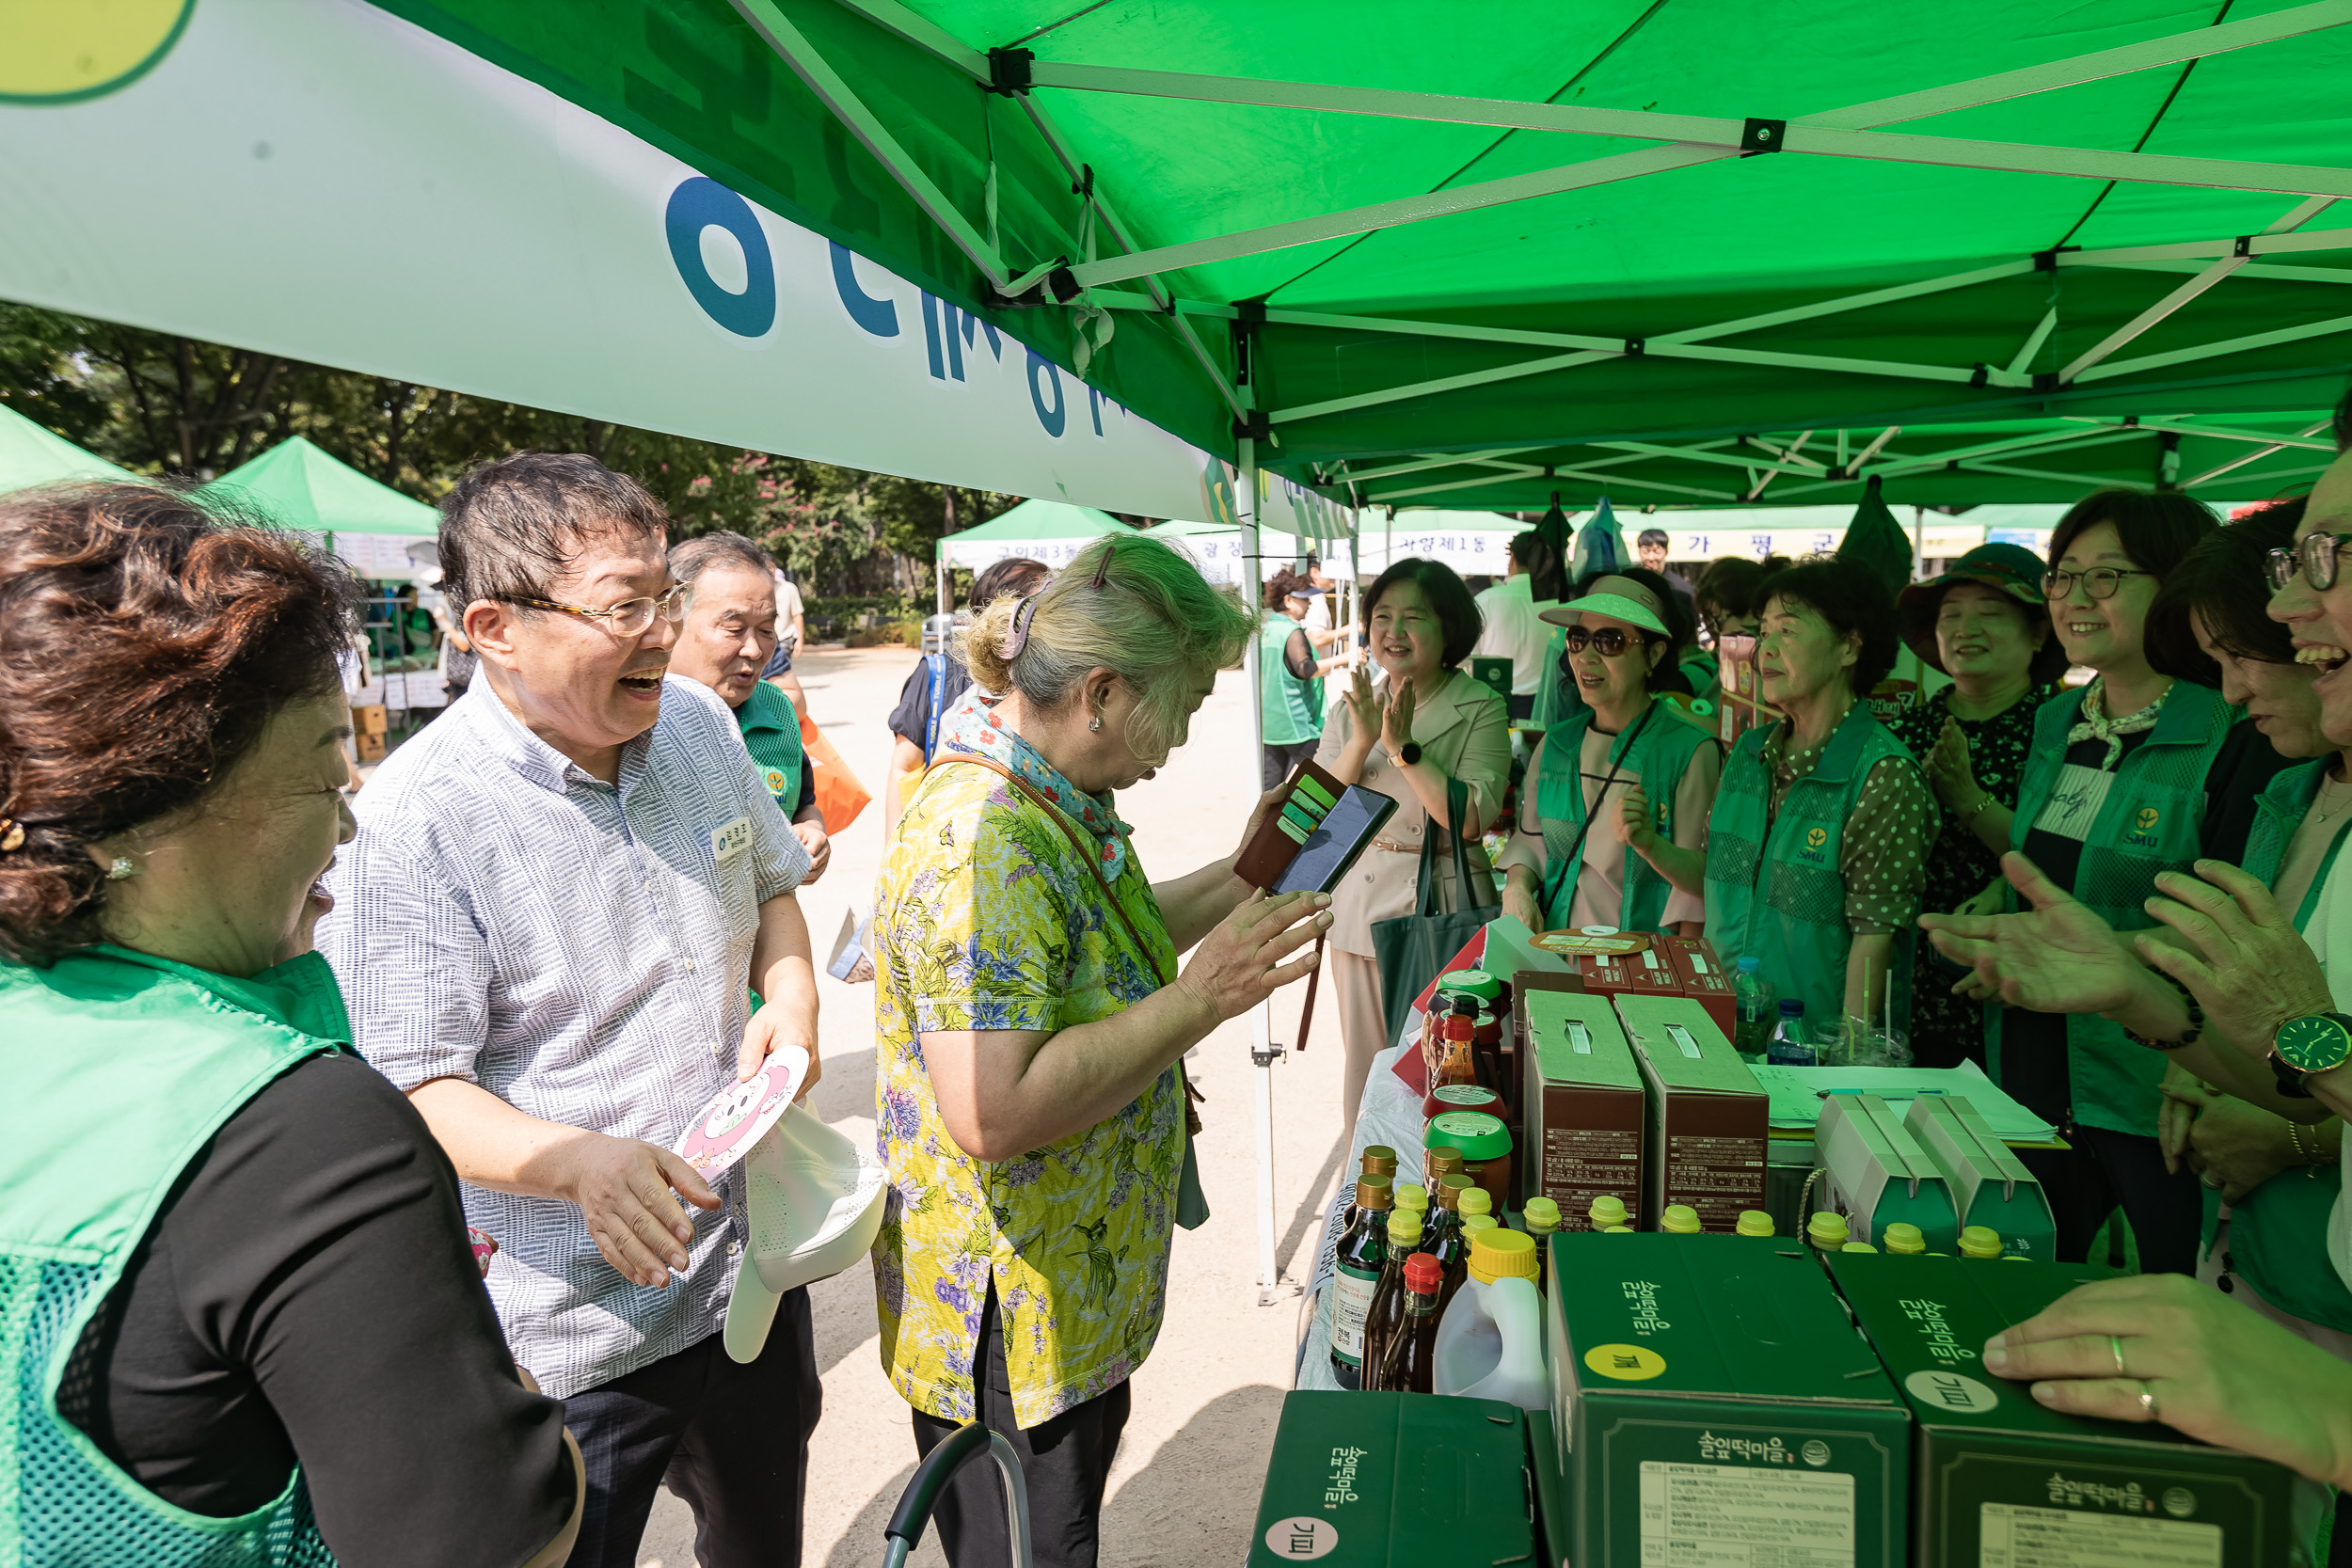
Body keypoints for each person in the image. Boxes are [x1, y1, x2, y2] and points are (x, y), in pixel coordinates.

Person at [0, 483, 582, 1566]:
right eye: (325, 766)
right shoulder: (296, 1134)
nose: (352, 819)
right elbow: (502, 1536)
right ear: (171, 789)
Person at [318, 452, 823, 1568]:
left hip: (741, 1270)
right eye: (623, 606)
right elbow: (411, 1085)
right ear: (494, 626)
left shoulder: (695, 723)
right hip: (567, 1327)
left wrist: (788, 995)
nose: (661, 632)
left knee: (759, 1539)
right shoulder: (417, 820)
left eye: (666, 597)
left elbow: (775, 884)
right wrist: (575, 1163)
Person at [872, 533, 1330, 1568]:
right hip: (1008, 1320)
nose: (1186, 732)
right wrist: (1202, 996)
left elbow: (1109, 933)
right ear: (1102, 691)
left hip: (1064, 1293)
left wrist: (1246, 869)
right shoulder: (981, 840)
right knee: (1032, 1543)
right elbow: (992, 1111)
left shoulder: (1049, 797)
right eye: (1184, 702)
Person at [1926, 442, 2352, 1524]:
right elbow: (2298, 1063)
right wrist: (2136, 993)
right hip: (2268, 1278)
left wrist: (2307, 1052)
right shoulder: (2311, 805)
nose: (2294, 614)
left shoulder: (2248, 762)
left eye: (2327, 560)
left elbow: (2314, 1061)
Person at [1976, 488, 2287, 1275]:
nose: (2076, 598)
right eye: (2063, 575)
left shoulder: (2235, 730)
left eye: (2106, 577)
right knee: (2032, 1278)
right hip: (2034, 1062)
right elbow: (2052, 866)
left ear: (2176, 584)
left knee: (2172, 1293)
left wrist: (2192, 1061)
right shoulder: (2059, 722)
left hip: (2165, 1082)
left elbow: (2244, 919)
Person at [1316, 557, 1511, 1139]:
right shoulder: (1352, 703)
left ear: (1448, 628)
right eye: (1381, 616)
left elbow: (1470, 816)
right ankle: (1364, 1187)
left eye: (1412, 617)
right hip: (1358, 909)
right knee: (1366, 1061)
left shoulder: (1479, 705)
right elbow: (1318, 811)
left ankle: (1438, 1190)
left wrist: (1403, 749)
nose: (1392, 632)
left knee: (1441, 1065)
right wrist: (1362, 740)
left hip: (1442, 907)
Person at [1702, 557, 1935, 1037]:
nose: (1763, 649)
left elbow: (1875, 935)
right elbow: (1717, 876)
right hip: (1721, 1029)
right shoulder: (1748, 754)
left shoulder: (1883, 775)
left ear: (1849, 646)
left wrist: (1847, 1058)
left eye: (1787, 631)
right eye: (1762, 632)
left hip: (1810, 1051)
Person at [1883, 543, 2067, 1069]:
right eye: (1951, 616)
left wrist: (1968, 799)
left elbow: (2064, 858)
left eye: (1991, 614)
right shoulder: (1906, 732)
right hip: (1908, 971)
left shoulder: (2063, 736)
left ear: (2038, 632)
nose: (1966, 629)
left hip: (2016, 976)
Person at [1498, 573, 1720, 937]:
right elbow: (1532, 840)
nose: (1586, 656)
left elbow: (1700, 885)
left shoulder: (1691, 752)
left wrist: (1652, 845)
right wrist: (1517, 887)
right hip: (1556, 959)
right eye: (1578, 639)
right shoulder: (1556, 744)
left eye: (1610, 642)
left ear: (1654, 653)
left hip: (1644, 971)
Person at [668, 531, 833, 882]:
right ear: (670, 618)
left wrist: (811, 830)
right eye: (734, 627)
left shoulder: (778, 710)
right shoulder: (629, 720)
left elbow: (803, 801)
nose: (755, 651)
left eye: (766, 629)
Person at [884, 556, 1051, 835]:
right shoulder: (942, 672)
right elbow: (904, 767)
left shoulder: (1055, 678)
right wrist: (892, 855)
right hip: (944, 840)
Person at [1259, 569, 1355, 790]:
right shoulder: (1291, 632)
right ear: (1288, 600)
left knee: (1271, 789)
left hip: (1271, 725)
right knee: (1322, 783)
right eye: (1305, 598)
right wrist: (1345, 657)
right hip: (1296, 722)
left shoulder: (1268, 629)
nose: (1310, 603)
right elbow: (1306, 669)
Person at [1469, 531, 1561, 721]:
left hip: (1492, 700)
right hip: (1546, 704)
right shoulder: (1558, 606)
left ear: (1512, 559)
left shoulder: (1486, 601)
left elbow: (1469, 658)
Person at [760, 564, 810, 716]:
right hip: (767, 638)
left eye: (772, 567)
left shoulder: (788, 589)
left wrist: (800, 639)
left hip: (784, 637)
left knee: (780, 678)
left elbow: (797, 615)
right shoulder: (755, 589)